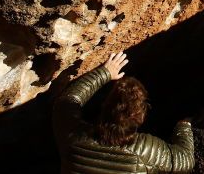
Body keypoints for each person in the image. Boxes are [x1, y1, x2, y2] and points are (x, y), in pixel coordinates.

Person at [53, 52, 195, 173]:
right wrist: (184, 125)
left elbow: (68, 99)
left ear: (104, 105)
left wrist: (105, 72)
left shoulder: (73, 135)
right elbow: (186, 160)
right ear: (141, 118)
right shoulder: (146, 151)